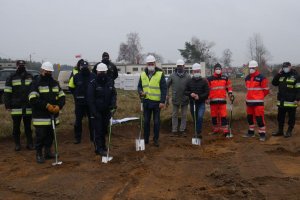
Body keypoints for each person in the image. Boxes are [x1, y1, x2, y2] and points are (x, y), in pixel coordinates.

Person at [29, 62, 66, 163]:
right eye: (47, 71)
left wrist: (59, 105)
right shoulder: (36, 83)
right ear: (42, 70)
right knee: (40, 136)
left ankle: (48, 152)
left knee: (50, 135)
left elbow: (62, 96)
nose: (49, 73)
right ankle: (39, 154)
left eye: (50, 71)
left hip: (52, 115)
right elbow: (32, 99)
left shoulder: (55, 83)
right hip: (40, 116)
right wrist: (46, 105)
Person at [3, 60, 34, 151]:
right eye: (20, 65)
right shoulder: (11, 77)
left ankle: (30, 144)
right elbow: (7, 92)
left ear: (25, 66)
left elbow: (33, 90)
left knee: (28, 127)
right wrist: (7, 105)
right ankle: (17, 144)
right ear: (16, 66)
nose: (21, 66)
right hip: (16, 107)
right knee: (16, 127)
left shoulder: (30, 77)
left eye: (23, 65)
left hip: (28, 106)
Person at [87, 63, 117, 156]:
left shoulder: (110, 81)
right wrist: (94, 112)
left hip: (106, 111)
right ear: (97, 72)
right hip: (97, 111)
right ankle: (98, 148)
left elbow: (113, 94)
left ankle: (103, 146)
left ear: (106, 72)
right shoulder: (93, 83)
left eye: (103, 72)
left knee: (104, 130)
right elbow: (90, 99)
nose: (102, 73)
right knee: (98, 130)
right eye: (100, 72)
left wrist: (113, 105)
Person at [137, 55, 167, 147]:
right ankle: (146, 139)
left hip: (157, 103)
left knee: (156, 122)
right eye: (149, 64)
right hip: (146, 102)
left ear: (154, 63)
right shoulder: (142, 74)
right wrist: (140, 92)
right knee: (146, 121)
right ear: (147, 64)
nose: (150, 65)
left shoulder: (160, 74)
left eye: (152, 63)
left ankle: (155, 139)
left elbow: (164, 88)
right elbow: (139, 86)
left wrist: (162, 101)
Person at [69, 60, 96, 144]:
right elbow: (71, 87)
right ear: (80, 67)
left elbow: (96, 87)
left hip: (90, 103)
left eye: (85, 66)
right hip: (79, 103)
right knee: (78, 121)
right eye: (82, 66)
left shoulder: (93, 76)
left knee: (92, 121)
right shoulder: (75, 76)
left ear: (88, 67)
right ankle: (77, 138)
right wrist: (76, 95)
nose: (84, 68)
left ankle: (93, 138)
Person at [272, 62, 300, 137]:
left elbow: (298, 89)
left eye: (287, 67)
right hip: (281, 101)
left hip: (291, 102)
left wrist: (297, 99)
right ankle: (280, 131)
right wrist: (278, 74)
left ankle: (289, 131)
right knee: (280, 117)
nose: (285, 68)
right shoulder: (281, 75)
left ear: (290, 67)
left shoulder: (296, 76)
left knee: (291, 118)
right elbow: (274, 83)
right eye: (284, 67)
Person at [244, 60, 269, 141]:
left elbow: (266, 90)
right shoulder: (247, 78)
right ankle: (251, 133)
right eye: (250, 68)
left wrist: (260, 97)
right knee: (250, 118)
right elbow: (248, 89)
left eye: (253, 67)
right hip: (249, 102)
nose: (251, 69)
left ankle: (262, 134)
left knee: (259, 118)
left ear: (256, 68)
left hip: (258, 102)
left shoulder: (262, 78)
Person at [207, 63, 233, 137]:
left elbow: (229, 87)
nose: (218, 70)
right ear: (214, 70)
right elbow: (207, 89)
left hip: (222, 101)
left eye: (219, 69)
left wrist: (230, 94)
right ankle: (216, 130)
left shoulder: (225, 78)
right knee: (214, 116)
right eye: (216, 69)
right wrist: (207, 98)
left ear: (221, 69)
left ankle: (225, 130)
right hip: (213, 101)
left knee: (223, 115)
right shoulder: (209, 79)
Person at [167, 59, 191, 136]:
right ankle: (174, 130)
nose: (180, 67)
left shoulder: (188, 76)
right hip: (175, 98)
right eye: (178, 66)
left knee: (184, 115)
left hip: (185, 98)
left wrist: (190, 95)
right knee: (174, 115)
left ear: (184, 66)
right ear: (176, 67)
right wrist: (167, 95)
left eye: (181, 66)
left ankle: (182, 130)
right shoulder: (172, 75)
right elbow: (166, 86)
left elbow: (191, 87)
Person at [184, 63, 209, 138]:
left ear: (200, 71)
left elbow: (207, 93)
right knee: (195, 118)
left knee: (200, 117)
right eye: (195, 71)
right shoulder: (189, 81)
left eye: (198, 71)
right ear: (192, 72)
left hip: (201, 103)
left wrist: (200, 97)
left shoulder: (204, 81)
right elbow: (185, 91)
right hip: (193, 103)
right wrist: (190, 94)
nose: (196, 73)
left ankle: (198, 132)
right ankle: (196, 131)